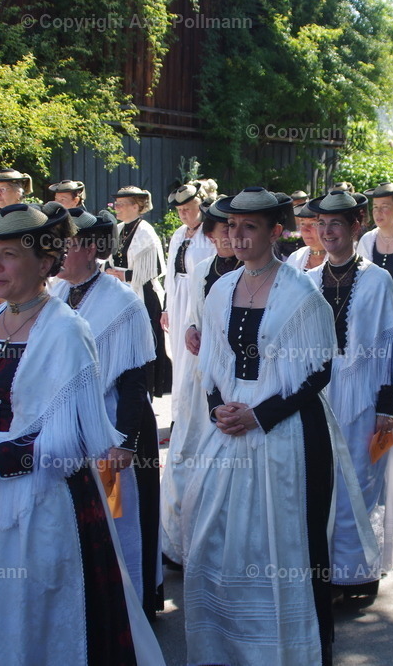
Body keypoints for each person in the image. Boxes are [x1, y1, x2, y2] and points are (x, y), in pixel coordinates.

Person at [0, 201, 164, 665]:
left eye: (10, 254)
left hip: (43, 500)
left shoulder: (66, 330)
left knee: (36, 617)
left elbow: (70, 437)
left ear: (45, 262)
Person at [182, 187, 368, 666]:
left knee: (287, 546)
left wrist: (259, 414)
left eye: (249, 227)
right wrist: (219, 405)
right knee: (222, 537)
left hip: (288, 435)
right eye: (232, 227)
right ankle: (230, 646)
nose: (238, 237)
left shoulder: (301, 291)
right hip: (229, 432)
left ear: (275, 232)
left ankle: (293, 649)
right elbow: (213, 362)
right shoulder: (221, 288)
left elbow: (318, 370)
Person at [52, 207, 164, 617]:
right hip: (75, 429)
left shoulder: (123, 303)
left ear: (94, 249)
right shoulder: (57, 294)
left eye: (68, 243)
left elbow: (136, 381)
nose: (59, 252)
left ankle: (131, 604)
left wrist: (125, 445)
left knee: (124, 518)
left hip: (117, 430)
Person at [306, 191, 393, 598]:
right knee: (325, 485)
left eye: (337, 225)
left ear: (356, 227)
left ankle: (359, 574)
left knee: (361, 486)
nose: (328, 232)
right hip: (320, 398)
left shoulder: (377, 280)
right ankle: (328, 572)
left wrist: (386, 409)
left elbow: (388, 348)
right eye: (323, 225)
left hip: (364, 401)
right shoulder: (309, 281)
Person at [163, 201, 242, 568]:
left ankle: (224, 547)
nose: (228, 236)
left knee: (231, 463)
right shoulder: (200, 272)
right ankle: (182, 543)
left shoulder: (253, 272)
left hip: (240, 379)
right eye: (221, 230)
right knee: (188, 453)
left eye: (234, 228)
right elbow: (193, 317)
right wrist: (191, 330)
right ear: (210, 235)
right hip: (201, 379)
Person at [163, 181, 216, 438]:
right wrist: (165, 306)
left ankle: (195, 416)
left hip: (196, 299)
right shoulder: (177, 235)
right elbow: (169, 273)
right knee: (178, 359)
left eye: (188, 207)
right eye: (180, 210)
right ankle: (178, 416)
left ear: (199, 205)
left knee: (193, 358)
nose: (184, 213)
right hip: (177, 298)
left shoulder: (209, 235)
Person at [108, 186, 171, 397]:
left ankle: (145, 390)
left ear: (136, 206)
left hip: (143, 295)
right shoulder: (117, 229)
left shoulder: (146, 232)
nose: (117, 208)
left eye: (122, 204)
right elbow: (107, 258)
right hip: (121, 295)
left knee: (145, 344)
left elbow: (156, 268)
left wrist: (123, 275)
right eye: (116, 204)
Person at [0, 169, 33, 310]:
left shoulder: (30, 224)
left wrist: (8, 294)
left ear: (18, 193)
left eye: (2, 189)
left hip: (21, 304)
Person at [285, 200, 327, 271]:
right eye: (302, 224)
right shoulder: (295, 257)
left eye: (313, 224)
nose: (305, 230)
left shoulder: (338, 259)